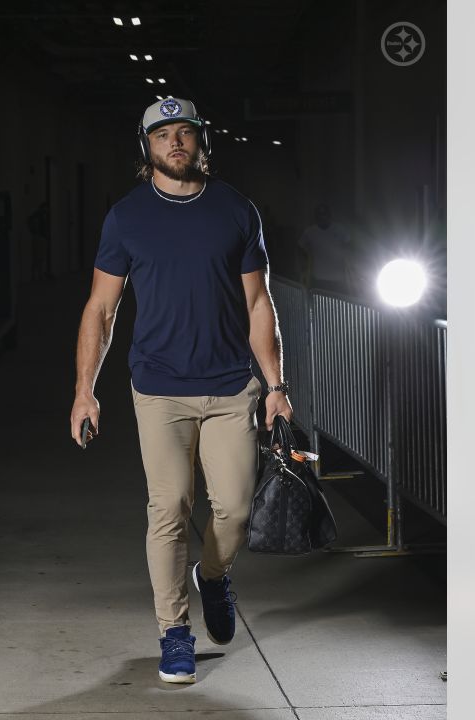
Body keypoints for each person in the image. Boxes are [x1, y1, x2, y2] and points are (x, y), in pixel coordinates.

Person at [68, 97, 293, 684]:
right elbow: (101, 308)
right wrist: (84, 391)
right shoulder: (126, 217)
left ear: (202, 142)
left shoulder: (236, 211)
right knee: (168, 507)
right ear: (146, 147)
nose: (175, 142)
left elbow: (256, 302)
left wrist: (275, 385)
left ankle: (213, 577)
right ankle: (174, 632)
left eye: (184, 133)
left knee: (237, 510)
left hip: (229, 386)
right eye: (162, 134)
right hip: (160, 388)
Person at [297, 203, 353, 293]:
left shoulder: (340, 229)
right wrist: (303, 267)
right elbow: (300, 247)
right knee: (320, 304)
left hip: (339, 279)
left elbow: (350, 247)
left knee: (340, 305)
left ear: (330, 215)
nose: (323, 217)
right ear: (316, 217)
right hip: (318, 279)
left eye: (325, 214)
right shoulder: (310, 232)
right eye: (320, 215)